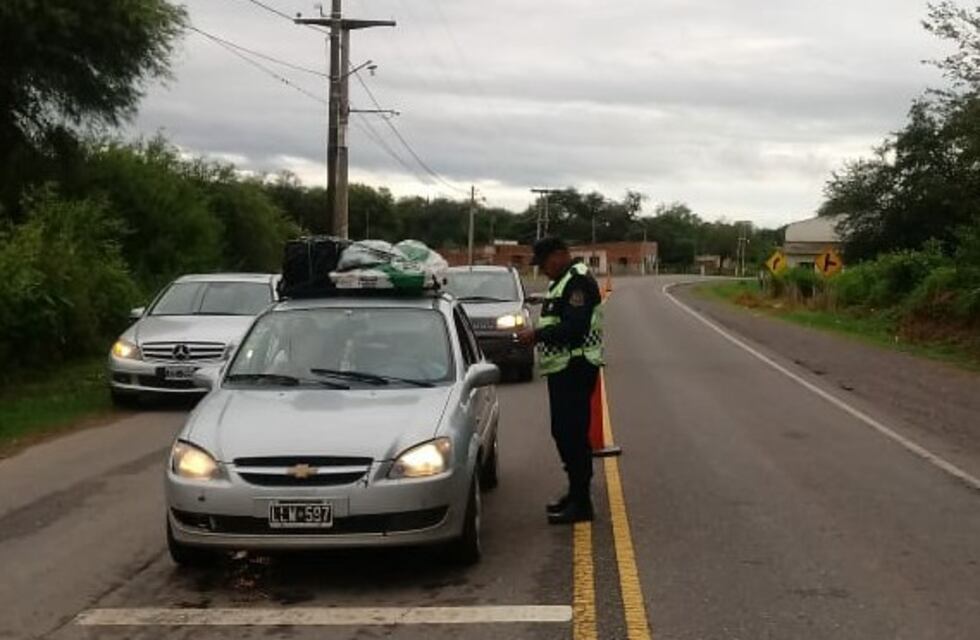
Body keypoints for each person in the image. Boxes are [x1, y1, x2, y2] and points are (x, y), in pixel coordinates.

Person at [517, 237, 604, 524]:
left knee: (572, 435)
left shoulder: (577, 282)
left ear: (559, 255)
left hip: (575, 366)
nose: (543, 270)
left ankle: (582, 503)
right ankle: (576, 493)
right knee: (565, 434)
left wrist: (537, 336)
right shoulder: (562, 281)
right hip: (563, 368)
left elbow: (575, 326)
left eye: (544, 263)